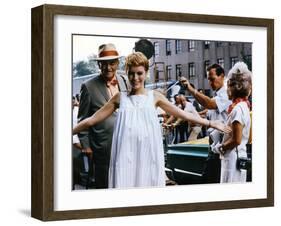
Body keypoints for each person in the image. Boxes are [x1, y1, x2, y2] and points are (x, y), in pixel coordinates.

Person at [74, 52, 231, 189]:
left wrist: (211, 123)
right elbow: (92, 120)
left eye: (139, 73)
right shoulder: (119, 98)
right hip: (125, 155)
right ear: (126, 73)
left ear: (146, 73)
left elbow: (185, 115)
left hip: (148, 154)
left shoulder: (154, 97)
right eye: (131, 74)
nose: (135, 78)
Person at [77, 43, 129, 189]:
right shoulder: (88, 86)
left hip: (126, 144)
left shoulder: (125, 81)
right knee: (104, 185)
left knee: (124, 182)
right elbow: (83, 118)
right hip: (102, 148)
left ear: (118, 63)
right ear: (99, 65)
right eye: (104, 64)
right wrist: (86, 146)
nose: (108, 68)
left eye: (112, 63)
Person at [180, 63, 232, 183]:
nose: (210, 83)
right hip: (214, 146)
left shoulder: (226, 94)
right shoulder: (217, 95)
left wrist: (190, 89)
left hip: (221, 147)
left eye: (212, 79)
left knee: (209, 180)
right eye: (208, 79)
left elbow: (209, 104)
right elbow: (208, 114)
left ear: (222, 76)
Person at [212, 62, 252, 183]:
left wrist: (220, 147)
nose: (226, 90)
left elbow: (236, 140)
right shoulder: (244, 106)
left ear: (234, 88)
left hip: (232, 159)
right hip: (239, 157)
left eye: (227, 86)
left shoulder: (237, 109)